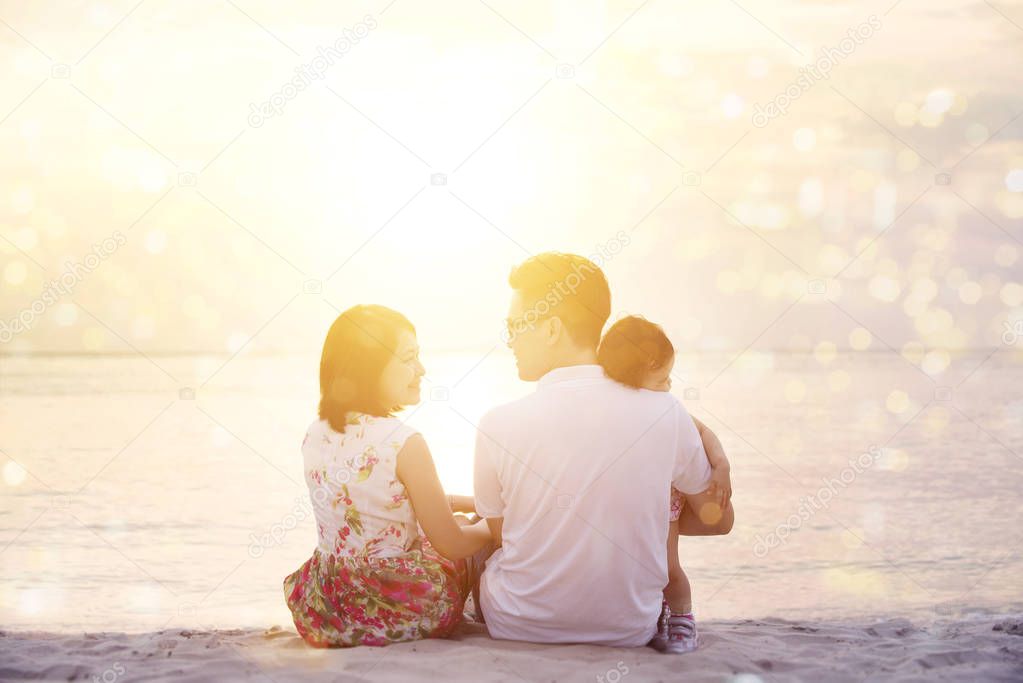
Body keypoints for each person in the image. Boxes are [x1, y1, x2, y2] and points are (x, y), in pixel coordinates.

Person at [473, 252, 734, 652]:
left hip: (516, 623)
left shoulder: (496, 423)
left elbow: (504, 537)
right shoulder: (664, 412)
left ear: (551, 329)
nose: (509, 339)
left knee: (463, 547)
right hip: (629, 629)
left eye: (515, 325)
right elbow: (720, 521)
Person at [283, 304, 490, 648]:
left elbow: (383, 503)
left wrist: (473, 503)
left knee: (453, 518)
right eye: (409, 358)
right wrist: (492, 523)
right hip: (400, 612)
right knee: (468, 533)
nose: (421, 369)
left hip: (325, 610)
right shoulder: (404, 442)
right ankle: (488, 609)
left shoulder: (314, 433)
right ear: (370, 367)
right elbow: (451, 543)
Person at [597, 314, 732, 653]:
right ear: (638, 373)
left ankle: (682, 619)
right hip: (625, 499)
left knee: (668, 565)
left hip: (665, 496)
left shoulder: (666, 408)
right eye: (663, 378)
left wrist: (721, 465)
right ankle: (656, 612)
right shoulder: (608, 403)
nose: (669, 386)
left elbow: (704, 432)